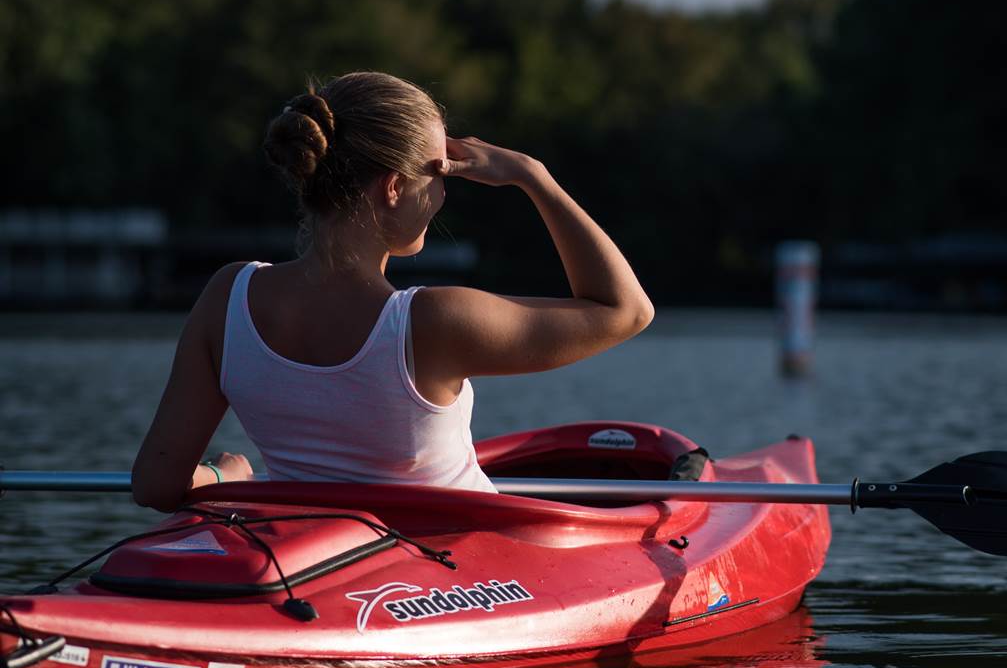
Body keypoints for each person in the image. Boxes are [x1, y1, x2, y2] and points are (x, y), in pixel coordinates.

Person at [131, 71, 654, 512]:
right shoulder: (433, 321)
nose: (444, 192)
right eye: (440, 172)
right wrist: (533, 177)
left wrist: (224, 478)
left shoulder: (228, 297)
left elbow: (156, 485)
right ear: (395, 188)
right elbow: (626, 309)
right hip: (454, 573)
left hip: (321, 564)